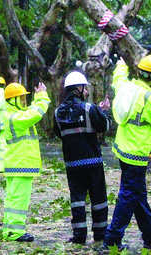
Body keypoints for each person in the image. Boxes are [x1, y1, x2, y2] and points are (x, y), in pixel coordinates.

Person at [103, 55, 151, 252]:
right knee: (129, 196)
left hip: (122, 149)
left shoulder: (125, 87)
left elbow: (118, 78)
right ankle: (112, 239)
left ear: (138, 72)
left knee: (137, 195)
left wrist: (121, 64)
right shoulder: (149, 97)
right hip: (136, 154)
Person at [54, 71, 112, 245]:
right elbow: (105, 126)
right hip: (93, 162)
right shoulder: (88, 108)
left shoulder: (58, 113)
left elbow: (60, 133)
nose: (86, 91)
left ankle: (79, 235)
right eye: (85, 88)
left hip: (72, 164)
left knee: (77, 200)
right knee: (98, 199)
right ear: (78, 89)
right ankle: (100, 233)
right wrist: (105, 112)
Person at [2, 81, 50, 242]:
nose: (24, 101)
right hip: (20, 164)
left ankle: (10, 230)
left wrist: (36, 99)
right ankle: (14, 232)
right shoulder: (14, 117)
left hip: (18, 164)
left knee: (13, 198)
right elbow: (35, 114)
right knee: (19, 200)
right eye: (20, 98)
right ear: (12, 100)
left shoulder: (14, 115)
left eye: (24, 98)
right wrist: (42, 96)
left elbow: (30, 112)